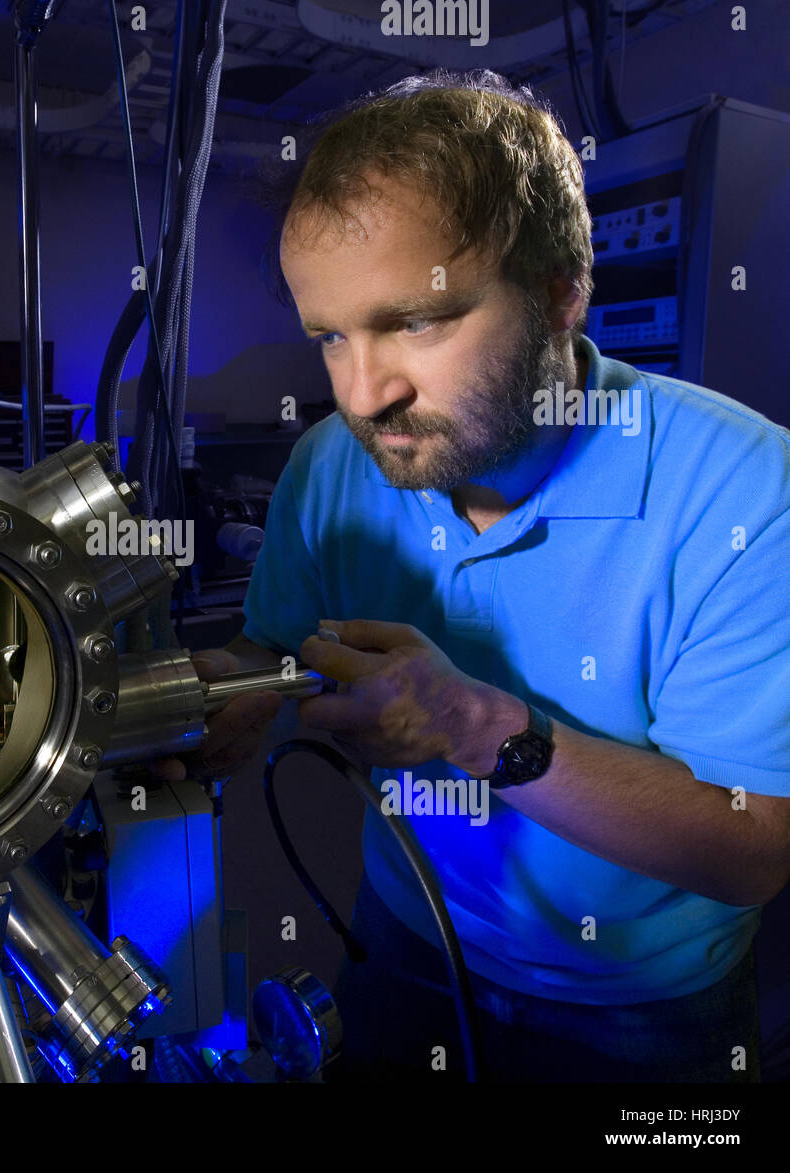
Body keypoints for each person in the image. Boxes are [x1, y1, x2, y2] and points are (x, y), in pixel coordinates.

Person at [160, 70, 790, 1082]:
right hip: (405, 941)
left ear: (559, 293)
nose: (366, 395)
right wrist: (229, 699)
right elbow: (273, 645)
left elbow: (754, 846)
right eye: (331, 336)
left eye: (415, 321)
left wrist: (472, 726)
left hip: (637, 1009)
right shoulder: (332, 464)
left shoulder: (744, 495)